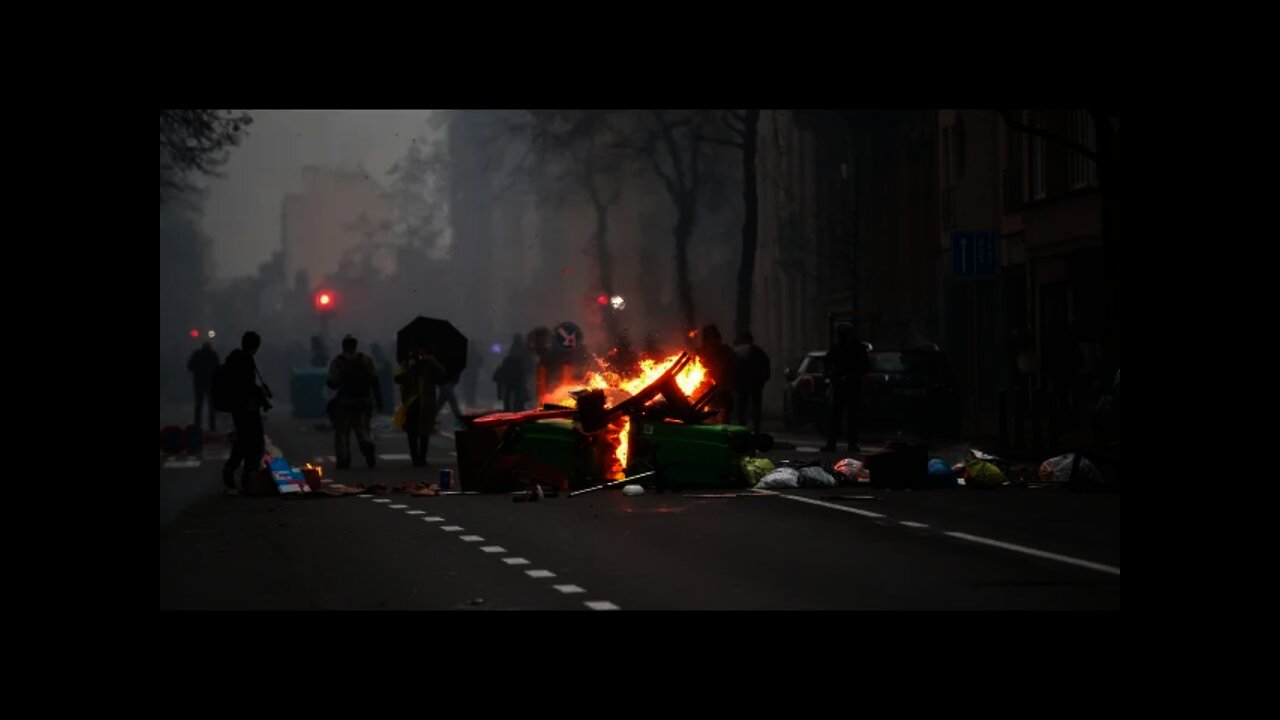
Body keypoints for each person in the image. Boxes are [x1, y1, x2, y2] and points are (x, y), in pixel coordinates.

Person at [222, 331, 272, 492]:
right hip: (247, 408)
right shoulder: (246, 360)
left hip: (238, 407)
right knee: (255, 443)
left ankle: (233, 470)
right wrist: (261, 394)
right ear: (256, 346)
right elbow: (247, 386)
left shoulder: (235, 359)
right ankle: (250, 477)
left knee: (244, 441)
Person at [328, 335, 383, 470]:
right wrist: (378, 398)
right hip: (363, 401)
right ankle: (367, 447)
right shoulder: (366, 360)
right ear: (355, 345)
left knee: (342, 433)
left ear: (343, 346)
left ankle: (343, 459)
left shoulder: (338, 361)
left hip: (345, 402)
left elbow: (332, 382)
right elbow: (374, 380)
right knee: (362, 429)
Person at [822, 323, 869, 453]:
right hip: (843, 384)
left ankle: (847, 443)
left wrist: (849, 375)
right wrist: (830, 374)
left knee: (848, 415)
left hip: (851, 384)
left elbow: (864, 366)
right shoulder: (843, 348)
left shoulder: (857, 348)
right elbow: (828, 361)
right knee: (839, 414)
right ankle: (835, 443)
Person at [396, 348, 447, 467]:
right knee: (411, 430)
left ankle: (423, 455)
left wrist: (430, 360)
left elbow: (442, 372)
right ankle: (415, 456)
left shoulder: (430, 362)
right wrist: (409, 369)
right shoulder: (407, 362)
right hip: (411, 401)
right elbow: (397, 377)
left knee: (425, 430)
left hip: (426, 401)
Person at [697, 324, 738, 424]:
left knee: (723, 421)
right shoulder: (700, 353)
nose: (712, 340)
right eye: (709, 337)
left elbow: (734, 369)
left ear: (717, 337)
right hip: (705, 394)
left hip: (723, 392)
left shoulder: (726, 352)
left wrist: (731, 385)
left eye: (713, 337)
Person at [734, 330, 771, 433]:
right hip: (756, 384)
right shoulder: (758, 351)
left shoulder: (737, 352)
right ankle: (756, 428)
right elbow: (766, 365)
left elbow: (732, 368)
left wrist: (734, 382)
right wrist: (763, 379)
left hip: (742, 384)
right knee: (756, 406)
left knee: (742, 406)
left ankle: (742, 428)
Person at [187, 340, 219, 432]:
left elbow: (190, 366)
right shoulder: (213, 355)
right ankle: (212, 426)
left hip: (199, 383)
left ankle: (197, 425)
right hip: (211, 383)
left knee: (198, 405)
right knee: (212, 406)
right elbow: (218, 368)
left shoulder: (197, 354)